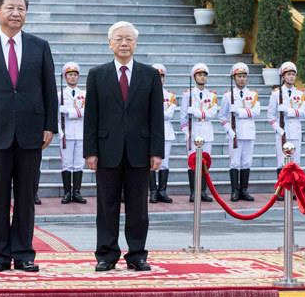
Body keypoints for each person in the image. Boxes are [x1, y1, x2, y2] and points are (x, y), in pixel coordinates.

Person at [0, 0, 58, 273]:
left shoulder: (39, 46)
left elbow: (49, 90)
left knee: (26, 196)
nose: (16, 13)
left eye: (21, 8)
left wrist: (50, 126)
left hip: (32, 131)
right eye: (10, 8)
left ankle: (24, 253)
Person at [84, 21, 164, 272]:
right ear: (110, 43)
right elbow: (91, 116)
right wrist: (91, 151)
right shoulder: (97, 74)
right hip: (107, 151)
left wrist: (156, 151)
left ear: (136, 43)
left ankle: (137, 254)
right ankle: (106, 255)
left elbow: (156, 116)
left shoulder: (149, 75)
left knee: (138, 207)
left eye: (129, 39)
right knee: (106, 206)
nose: (124, 43)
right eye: (119, 39)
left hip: (139, 151)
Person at [219, 62, 260, 202]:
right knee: (235, 163)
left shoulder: (253, 94)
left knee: (247, 162)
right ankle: (235, 190)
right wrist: (228, 130)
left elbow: (256, 111)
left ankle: (244, 190)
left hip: (248, 132)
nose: (241, 79)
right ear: (234, 78)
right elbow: (222, 116)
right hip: (234, 133)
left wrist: (239, 111)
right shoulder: (227, 96)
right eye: (239, 76)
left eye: (244, 76)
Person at [266, 62, 305, 201]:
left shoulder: (300, 94)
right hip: (282, 132)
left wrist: (288, 111)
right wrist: (278, 129)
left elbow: (303, 111)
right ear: (283, 77)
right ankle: (281, 189)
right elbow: (270, 115)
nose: (291, 77)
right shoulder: (276, 93)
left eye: (293, 74)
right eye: (288, 74)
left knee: (295, 162)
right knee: (281, 162)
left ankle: (295, 189)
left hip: (295, 130)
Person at [179, 63, 217, 203]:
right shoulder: (187, 94)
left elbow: (212, 113)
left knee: (205, 162)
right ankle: (193, 192)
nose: (202, 77)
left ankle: (203, 191)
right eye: (199, 75)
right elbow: (183, 116)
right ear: (194, 77)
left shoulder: (211, 95)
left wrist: (195, 112)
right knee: (193, 162)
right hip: (193, 130)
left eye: (204, 75)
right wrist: (185, 132)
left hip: (206, 129)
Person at [57, 62, 86, 205]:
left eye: (75, 75)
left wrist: (69, 111)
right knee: (67, 164)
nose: (73, 77)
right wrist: (60, 131)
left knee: (79, 164)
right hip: (66, 134)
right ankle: (67, 192)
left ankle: (77, 192)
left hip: (81, 133)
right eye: (70, 75)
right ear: (65, 77)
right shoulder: (59, 95)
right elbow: (56, 115)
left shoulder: (84, 94)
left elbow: (87, 112)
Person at [150, 63, 175, 204]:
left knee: (164, 163)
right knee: (151, 163)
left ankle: (162, 191)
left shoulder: (170, 95)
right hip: (151, 132)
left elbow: (169, 114)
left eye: (161, 77)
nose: (159, 79)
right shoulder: (145, 93)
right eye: (157, 76)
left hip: (166, 131)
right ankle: (153, 191)